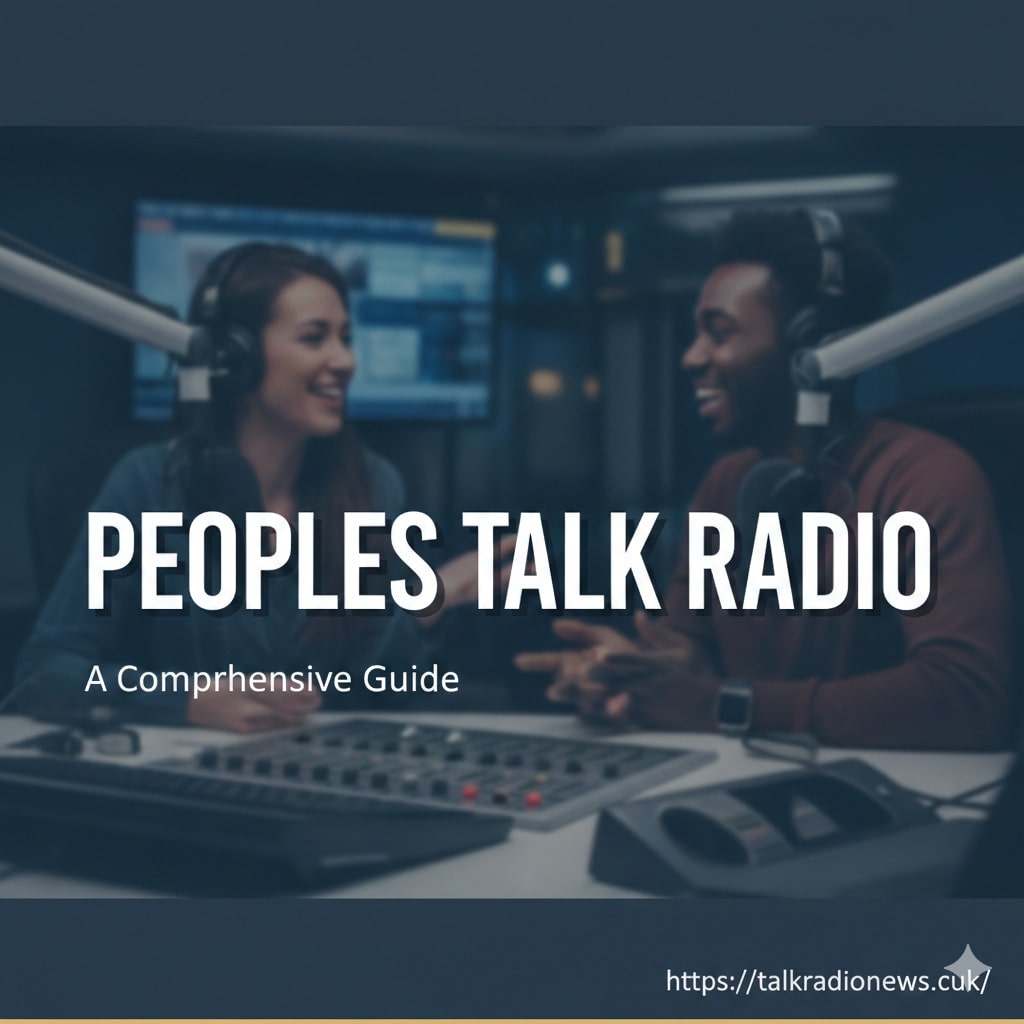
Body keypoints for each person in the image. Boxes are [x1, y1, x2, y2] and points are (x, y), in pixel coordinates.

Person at [516, 208, 1012, 750]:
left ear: (812, 343)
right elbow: (687, 659)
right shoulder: (728, 484)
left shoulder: (927, 479)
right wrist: (627, 681)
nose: (690, 358)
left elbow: (965, 700)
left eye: (719, 332)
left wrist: (726, 706)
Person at [14, 243, 506, 732]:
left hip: (312, 779)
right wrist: (184, 700)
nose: (346, 361)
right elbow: (47, 672)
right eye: (315, 338)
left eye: (346, 338)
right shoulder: (149, 484)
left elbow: (367, 690)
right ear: (238, 356)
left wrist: (429, 601)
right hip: (178, 781)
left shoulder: (373, 487)